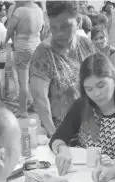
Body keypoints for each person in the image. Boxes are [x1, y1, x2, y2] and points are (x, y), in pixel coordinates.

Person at [51, 53, 115, 175]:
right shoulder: (82, 106)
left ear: (114, 81)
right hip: (86, 175)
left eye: (101, 86)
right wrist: (62, 150)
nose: (96, 94)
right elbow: (57, 138)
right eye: (89, 89)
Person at [30, 1, 96, 137]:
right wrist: (56, 137)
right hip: (62, 131)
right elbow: (40, 98)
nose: (59, 33)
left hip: (90, 127)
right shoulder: (43, 54)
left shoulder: (86, 45)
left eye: (65, 26)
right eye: (54, 28)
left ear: (78, 21)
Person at [5, 0, 44, 118]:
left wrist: (5, 42)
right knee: (35, 79)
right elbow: (42, 28)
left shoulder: (20, 11)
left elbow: (10, 29)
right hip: (36, 47)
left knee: (23, 82)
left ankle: (23, 110)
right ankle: (36, 106)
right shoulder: (39, 10)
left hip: (22, 48)